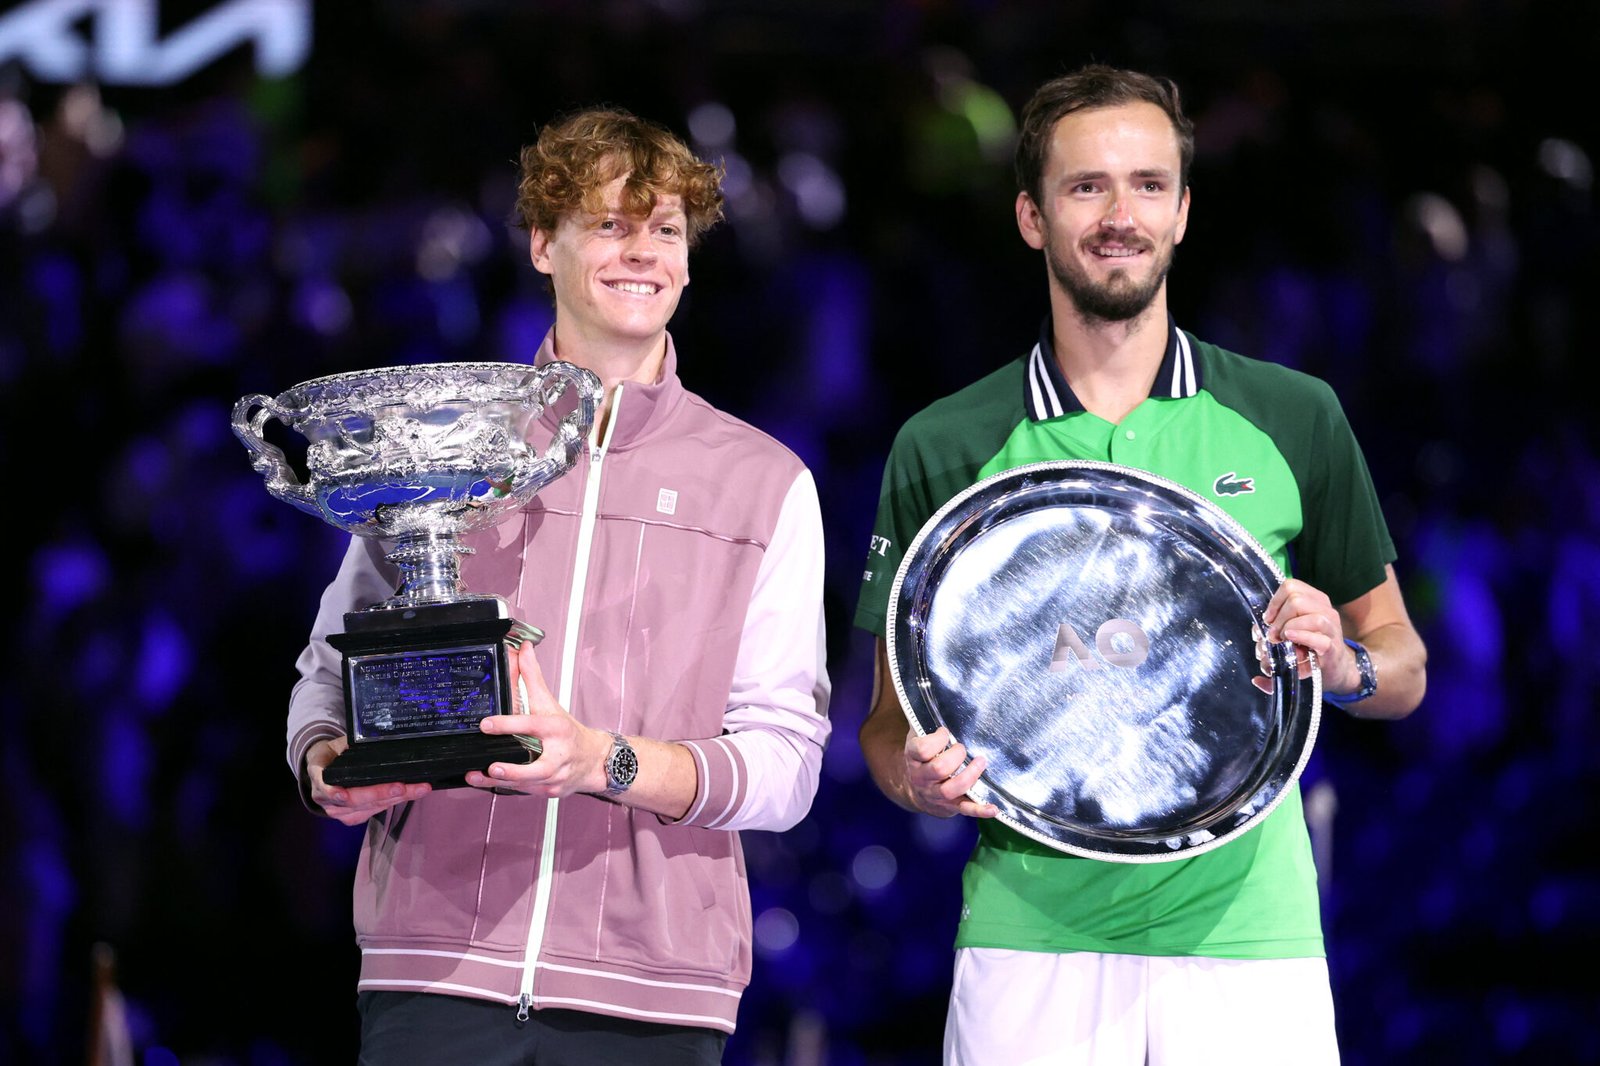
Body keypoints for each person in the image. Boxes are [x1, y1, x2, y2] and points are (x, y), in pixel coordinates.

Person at [855, 64, 1427, 1065]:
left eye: (1147, 185)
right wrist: (914, 781)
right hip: (1029, 937)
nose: (1119, 215)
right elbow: (884, 726)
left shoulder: (1292, 416)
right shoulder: (944, 444)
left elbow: (1402, 667)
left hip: (1250, 938)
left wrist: (1344, 667)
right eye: (1086, 188)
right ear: (1032, 217)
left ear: (1182, 212)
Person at [286, 107, 832, 1064]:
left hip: (655, 991)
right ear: (543, 242)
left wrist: (599, 762)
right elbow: (327, 672)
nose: (642, 253)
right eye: (609, 224)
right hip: (435, 970)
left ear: (691, 259)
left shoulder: (763, 483)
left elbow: (785, 766)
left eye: (664, 229)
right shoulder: (445, 446)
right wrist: (326, 762)